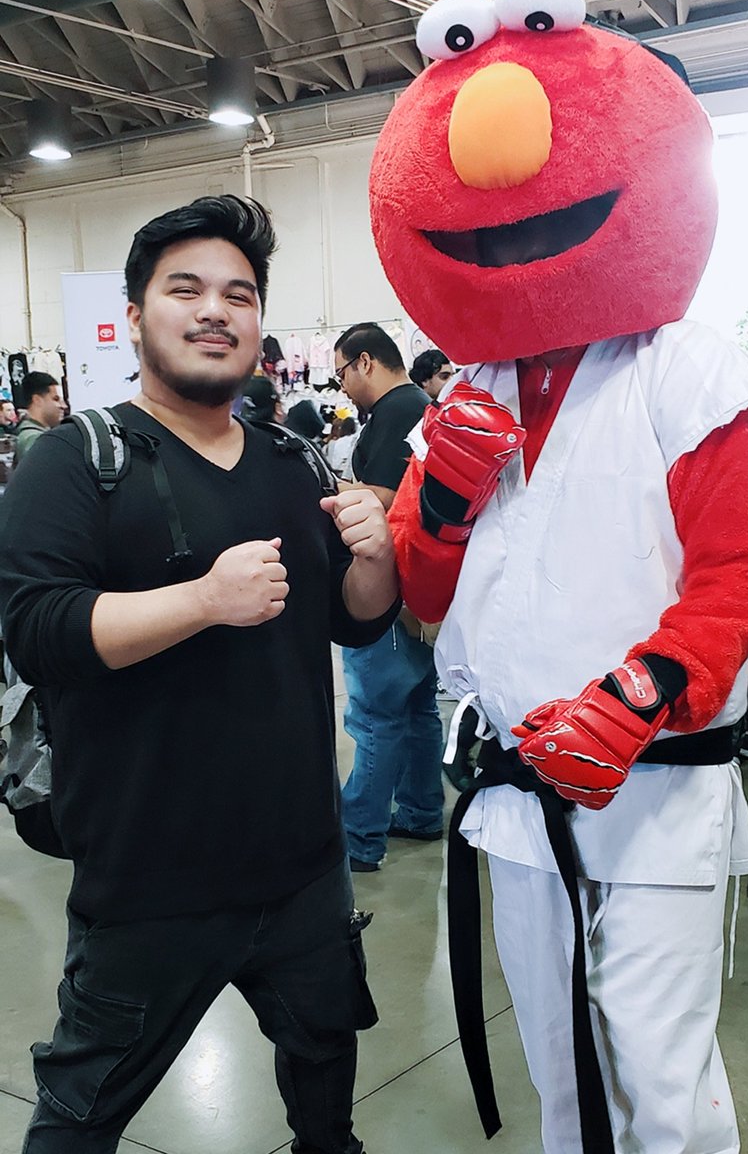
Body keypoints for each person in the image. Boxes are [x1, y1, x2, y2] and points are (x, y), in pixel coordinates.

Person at [373, 0, 748, 1153]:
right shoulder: (468, 393)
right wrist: (441, 502)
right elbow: (422, 591)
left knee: (660, 1079)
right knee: (560, 1069)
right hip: (514, 788)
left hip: (655, 783)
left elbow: (744, 572)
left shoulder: (688, 371)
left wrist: (643, 691)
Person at [0, 194, 400, 1154]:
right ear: (135, 316)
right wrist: (203, 601)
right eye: (185, 289)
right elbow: (36, 630)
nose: (216, 310)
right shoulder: (76, 460)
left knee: (326, 1104)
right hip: (147, 877)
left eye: (240, 294)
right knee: (78, 1122)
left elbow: (355, 622)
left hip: (303, 868)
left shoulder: (295, 462)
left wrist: (378, 557)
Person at [333, 323, 445, 872]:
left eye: (342, 373)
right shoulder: (417, 408)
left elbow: (381, 499)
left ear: (365, 362)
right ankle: (421, 811)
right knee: (417, 708)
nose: (342, 387)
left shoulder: (397, 411)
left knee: (376, 716)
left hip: (389, 592)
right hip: (417, 591)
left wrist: (328, 490)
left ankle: (359, 837)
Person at [13, 371, 65, 465]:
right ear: (37, 400)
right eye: (56, 399)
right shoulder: (35, 439)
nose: (63, 406)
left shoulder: (31, 436)